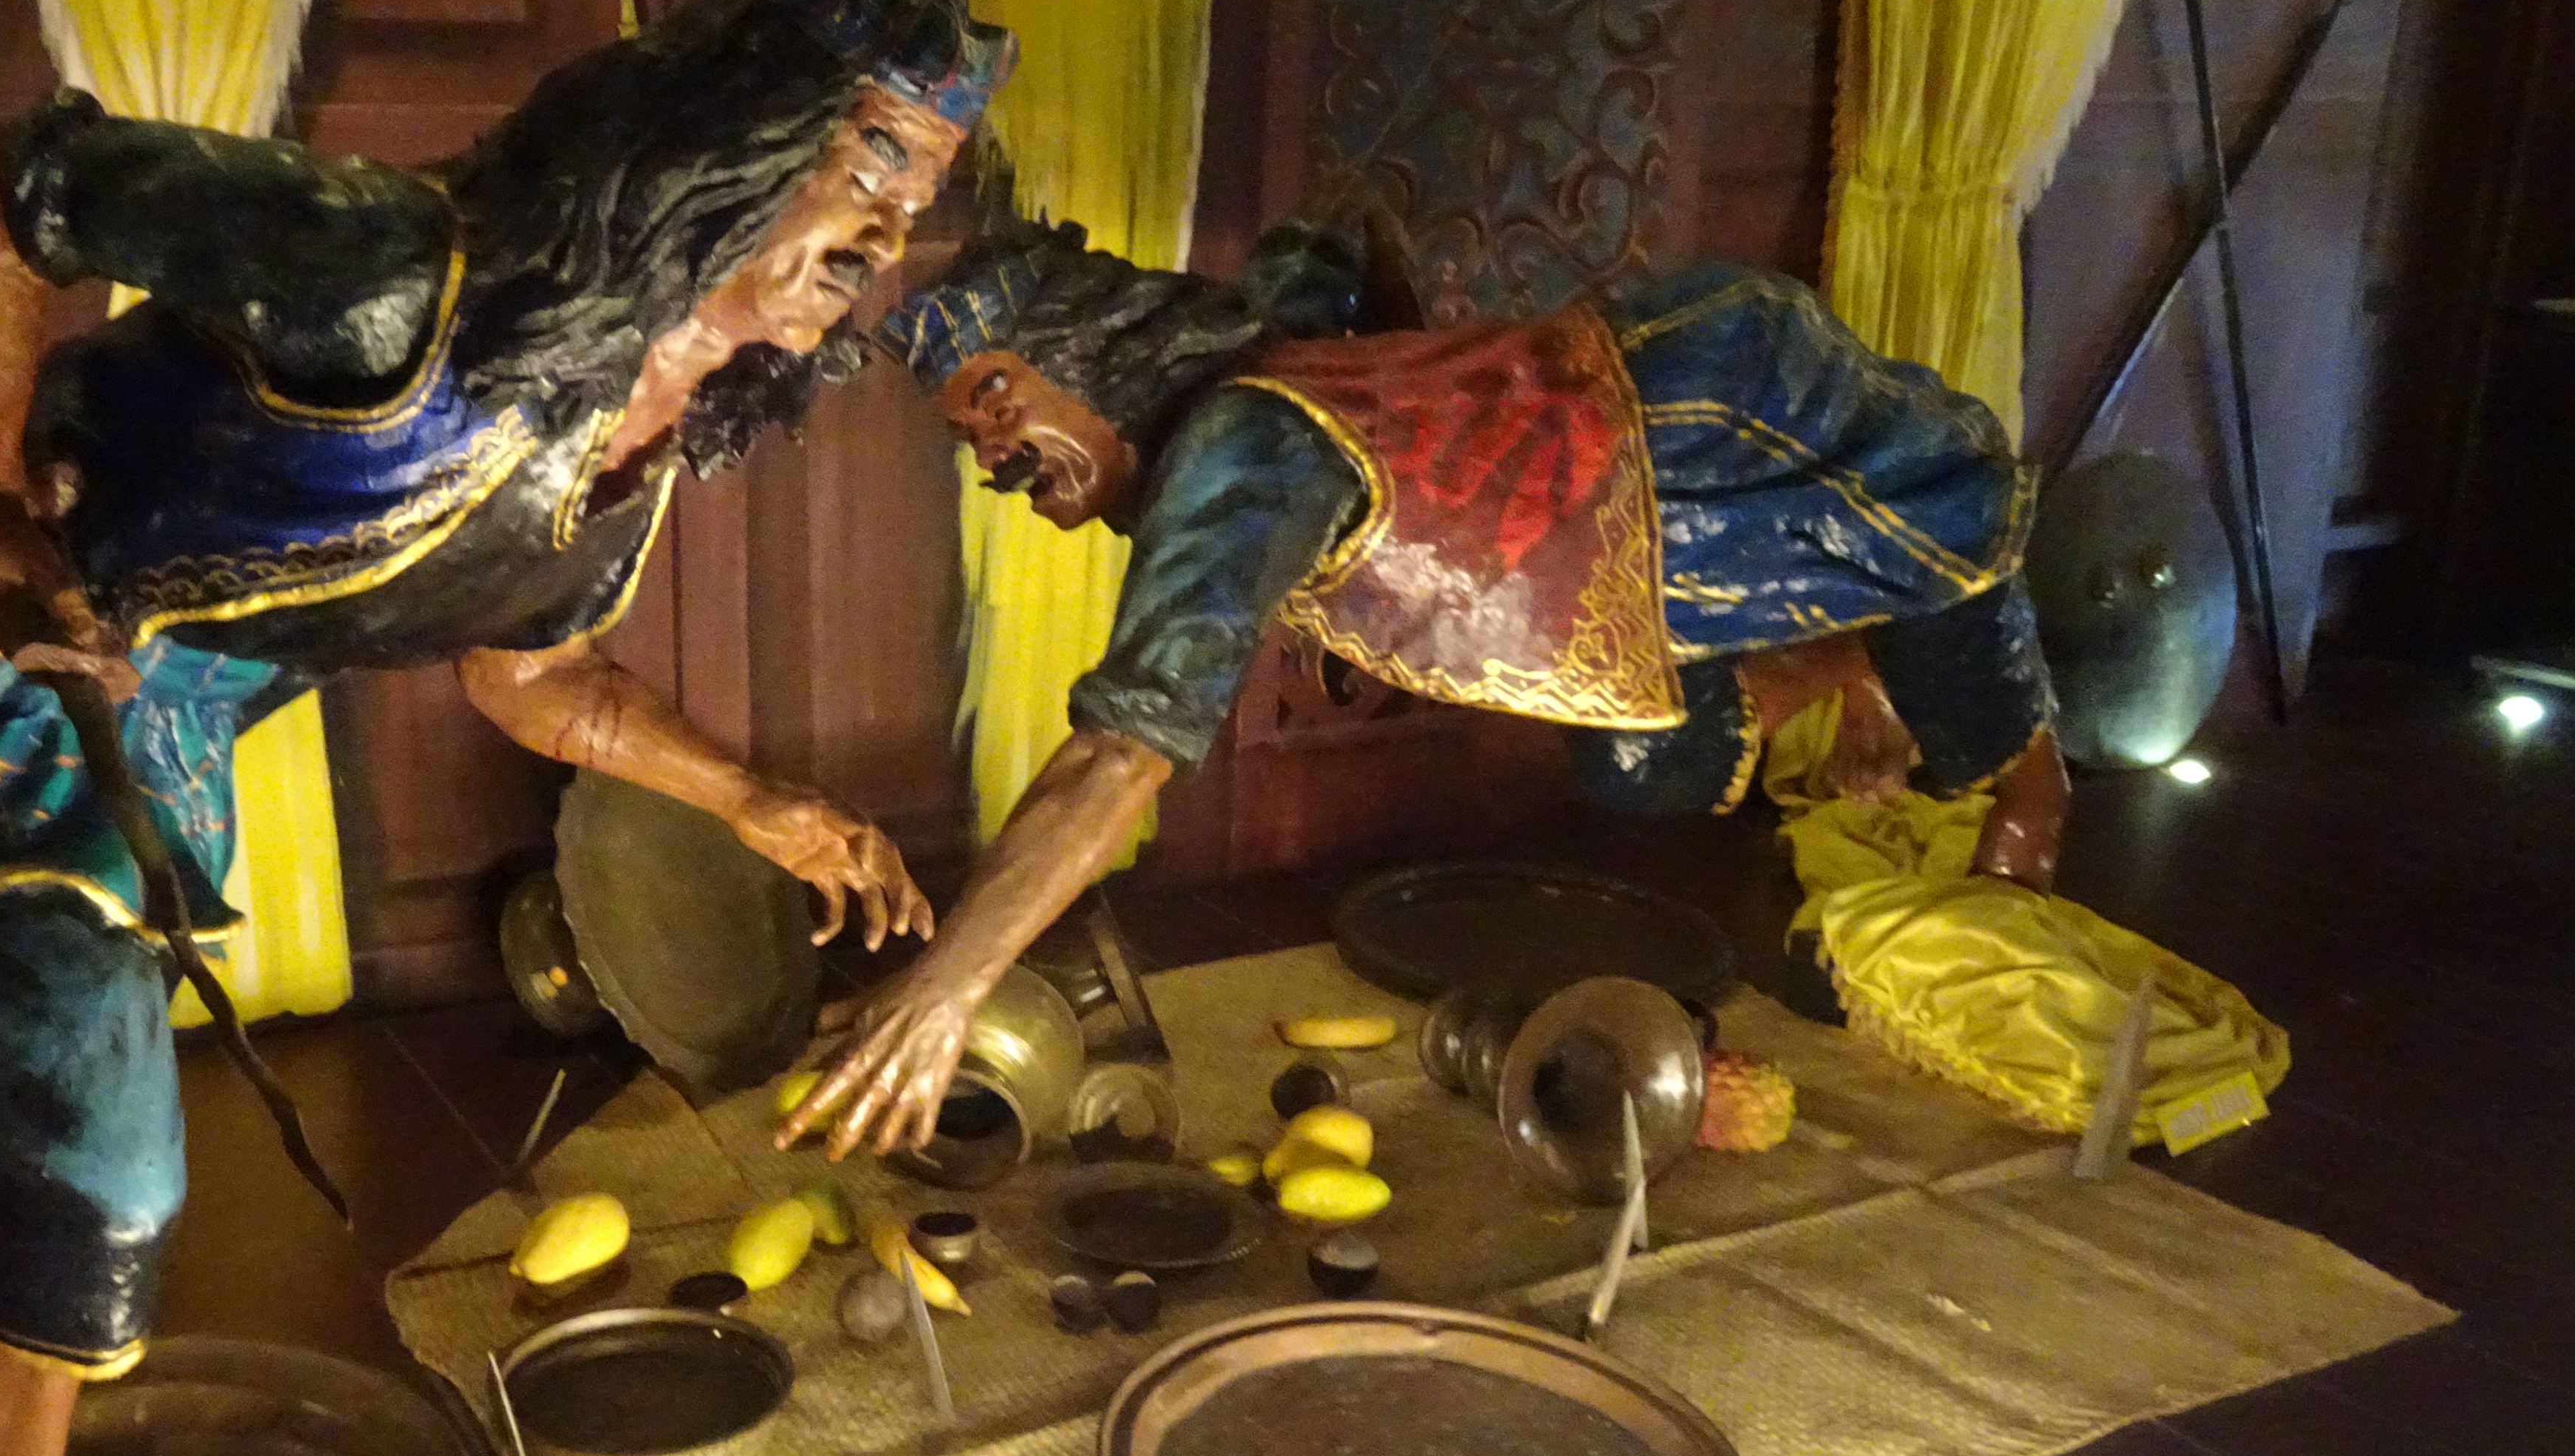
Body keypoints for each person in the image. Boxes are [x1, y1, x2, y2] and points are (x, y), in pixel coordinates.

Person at [0, 0, 1002, 1456]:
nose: (892, 234)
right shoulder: (386, 282)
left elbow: (531, 676)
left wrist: (765, 803)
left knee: (17, 1015)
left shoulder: (633, 440)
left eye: (922, 195)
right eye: (873, 164)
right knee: (97, 1139)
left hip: (166, 682)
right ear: (729, 132)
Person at [780, 218, 2068, 1162]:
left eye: (998, 398)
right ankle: (1853, 657)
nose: (995, 452)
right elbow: (1317, 249)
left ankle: (2030, 781)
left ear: (1091, 352)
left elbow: (1120, 754)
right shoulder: (1246, 389)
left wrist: (946, 986)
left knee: (1936, 548)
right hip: (1604, 564)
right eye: (972, 435)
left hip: (1700, 419)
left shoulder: (1244, 444)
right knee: (1643, 763)